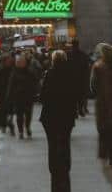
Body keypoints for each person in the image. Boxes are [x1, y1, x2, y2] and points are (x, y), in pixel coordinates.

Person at [40, 50, 78, 192]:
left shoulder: (49, 74)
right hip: (66, 117)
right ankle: (65, 169)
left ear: (53, 61)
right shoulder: (71, 75)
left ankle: (54, 172)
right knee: (65, 142)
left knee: (52, 144)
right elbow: (76, 94)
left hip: (50, 117)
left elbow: (43, 96)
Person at [92, 43, 112, 168]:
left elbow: (93, 87)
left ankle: (107, 155)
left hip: (103, 104)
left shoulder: (98, 66)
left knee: (105, 130)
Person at [7, 54, 40, 139]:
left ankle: (27, 127)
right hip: (18, 97)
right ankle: (21, 130)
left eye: (22, 62)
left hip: (28, 97)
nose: (20, 63)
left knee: (28, 114)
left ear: (25, 63)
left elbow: (35, 83)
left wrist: (35, 93)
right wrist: (9, 97)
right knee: (19, 115)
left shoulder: (30, 72)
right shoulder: (14, 73)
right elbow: (11, 86)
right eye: (19, 62)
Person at [0, 54, 16, 135]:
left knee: (9, 112)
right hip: (2, 94)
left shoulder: (12, 70)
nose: (9, 62)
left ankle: (9, 124)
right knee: (2, 111)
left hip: (10, 94)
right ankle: (4, 125)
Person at [70, 39, 91, 117]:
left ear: (72, 45)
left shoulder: (69, 54)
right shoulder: (83, 54)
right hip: (81, 78)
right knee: (81, 95)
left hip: (72, 78)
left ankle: (75, 111)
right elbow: (86, 67)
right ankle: (80, 109)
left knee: (73, 96)